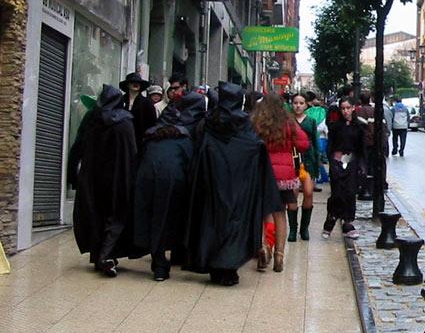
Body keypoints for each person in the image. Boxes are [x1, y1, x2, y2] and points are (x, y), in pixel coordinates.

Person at [185, 84, 281, 286]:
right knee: (235, 221)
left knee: (213, 221)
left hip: (213, 181)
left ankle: (215, 265)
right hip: (240, 183)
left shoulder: (211, 121)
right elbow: (252, 145)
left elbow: (202, 148)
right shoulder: (242, 123)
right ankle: (228, 268)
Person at [133, 91, 206, 280]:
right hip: (174, 180)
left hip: (146, 178)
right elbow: (191, 165)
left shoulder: (151, 137)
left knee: (154, 218)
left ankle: (158, 261)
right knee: (170, 219)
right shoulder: (185, 138)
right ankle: (164, 264)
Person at [72, 85, 137, 277]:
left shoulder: (92, 120)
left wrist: (72, 174)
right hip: (117, 176)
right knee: (116, 215)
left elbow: (78, 146)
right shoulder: (124, 122)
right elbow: (130, 152)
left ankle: (100, 254)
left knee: (96, 214)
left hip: (91, 177)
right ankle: (106, 255)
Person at [251, 94, 310, 272]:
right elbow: (304, 144)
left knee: (263, 213)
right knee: (280, 213)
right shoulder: (289, 122)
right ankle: (279, 256)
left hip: (263, 172)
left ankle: (265, 247)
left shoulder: (256, 122)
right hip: (285, 174)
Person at [324, 97, 366, 238]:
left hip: (352, 162)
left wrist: (361, 165)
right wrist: (332, 162)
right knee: (337, 192)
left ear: (353, 108)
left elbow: (361, 148)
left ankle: (347, 222)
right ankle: (332, 216)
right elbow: (330, 146)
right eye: (343, 108)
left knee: (350, 192)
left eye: (348, 108)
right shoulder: (335, 126)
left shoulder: (359, 127)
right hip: (337, 161)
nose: (346, 111)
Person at [289, 92, 319, 242]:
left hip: (308, 160)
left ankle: (304, 228)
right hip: (291, 160)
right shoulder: (287, 121)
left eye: (301, 103)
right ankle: (293, 229)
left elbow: (315, 143)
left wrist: (316, 165)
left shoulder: (311, 121)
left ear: (306, 105)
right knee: (292, 194)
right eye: (295, 103)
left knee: (308, 192)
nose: (298, 106)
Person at [119, 71, 157, 146]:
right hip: (122, 139)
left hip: (140, 141)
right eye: (132, 82)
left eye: (138, 82)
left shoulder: (147, 103)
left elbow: (152, 124)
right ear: (127, 84)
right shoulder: (120, 100)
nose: (135, 84)